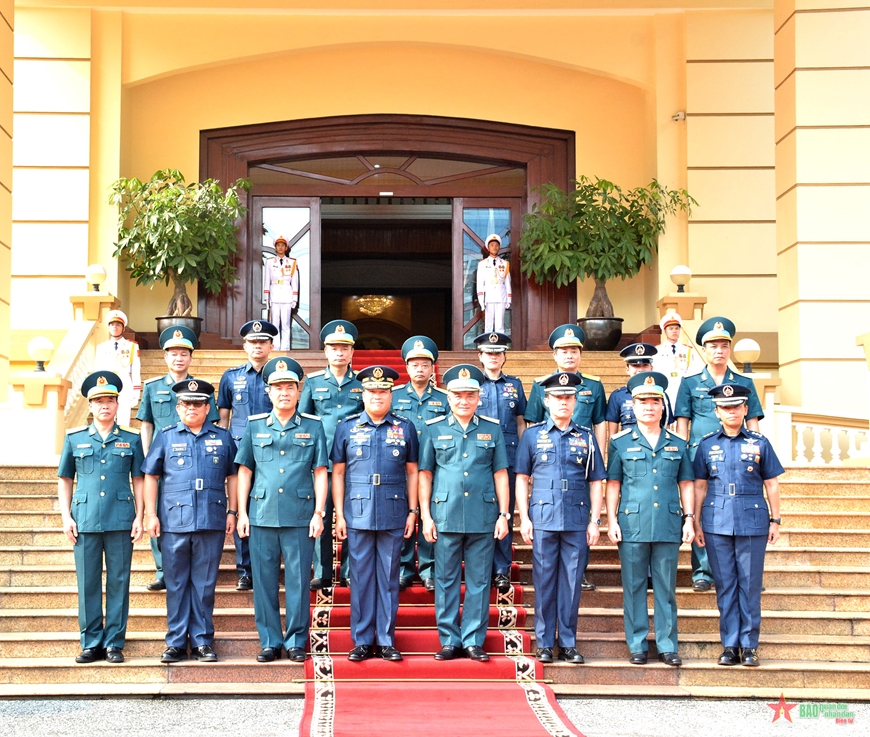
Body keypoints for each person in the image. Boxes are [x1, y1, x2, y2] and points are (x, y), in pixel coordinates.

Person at [235, 357, 329, 663]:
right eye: (277, 387)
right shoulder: (254, 425)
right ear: (268, 391)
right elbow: (245, 471)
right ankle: (270, 641)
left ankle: (296, 641)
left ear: (299, 391)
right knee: (263, 582)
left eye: (290, 386)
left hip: (300, 515)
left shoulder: (314, 427)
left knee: (299, 582)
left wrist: (319, 513)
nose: (284, 392)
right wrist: (242, 513)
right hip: (261, 514)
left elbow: (320, 471)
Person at [142, 379, 239, 663]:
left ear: (208, 407)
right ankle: (175, 642)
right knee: (175, 583)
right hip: (173, 521)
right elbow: (151, 475)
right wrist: (150, 514)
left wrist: (232, 511)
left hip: (211, 520)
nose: (192, 409)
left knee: (205, 584)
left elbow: (232, 476)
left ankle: (201, 642)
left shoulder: (223, 437)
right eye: (186, 404)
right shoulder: (167, 435)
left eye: (198, 404)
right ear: (178, 407)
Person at [419, 364, 511, 662]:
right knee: (445, 580)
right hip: (445, 513)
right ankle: (449, 639)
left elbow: (500, 473)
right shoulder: (434, 428)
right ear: (449, 397)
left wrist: (504, 514)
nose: (463, 400)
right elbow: (425, 475)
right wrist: (426, 516)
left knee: (479, 581)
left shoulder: (492, 428)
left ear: (478, 397)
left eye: (470, 395)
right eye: (458, 395)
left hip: (483, 515)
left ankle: (473, 639)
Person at [515, 372, 605, 665]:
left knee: (571, 582)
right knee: (544, 582)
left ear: (575, 401)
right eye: (557, 397)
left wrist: (595, 520)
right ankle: (543, 643)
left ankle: (567, 642)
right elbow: (522, 478)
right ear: (546, 400)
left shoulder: (586, 436)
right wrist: (524, 517)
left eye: (568, 397)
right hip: (542, 518)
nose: (563, 402)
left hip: (577, 520)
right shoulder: (532, 435)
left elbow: (595, 481)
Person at [606, 372, 695, 667]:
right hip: (632, 523)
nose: (649, 406)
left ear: (662, 407)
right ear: (633, 405)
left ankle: (668, 645)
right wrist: (612, 520)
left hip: (669, 522)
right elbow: (614, 485)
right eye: (643, 401)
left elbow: (686, 485)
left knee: (666, 589)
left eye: (655, 401)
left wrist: (690, 519)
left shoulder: (679, 444)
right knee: (633, 587)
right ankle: (637, 644)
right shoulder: (619, 442)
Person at [693, 383, 784, 668]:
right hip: (716, 521)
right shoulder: (707, 444)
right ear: (717, 411)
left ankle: (749, 645)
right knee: (726, 585)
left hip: (753, 521)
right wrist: (695, 521)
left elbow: (772, 484)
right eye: (725, 407)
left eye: (736, 407)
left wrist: (776, 520)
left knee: (749, 584)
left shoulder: (760, 442)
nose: (731, 411)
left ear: (745, 409)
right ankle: (730, 645)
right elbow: (699, 486)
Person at [332, 366, 419, 662]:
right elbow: (339, 472)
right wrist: (340, 515)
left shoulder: (405, 427)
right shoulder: (347, 426)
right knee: (361, 577)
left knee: (389, 577)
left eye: (383, 392)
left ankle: (385, 639)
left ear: (391, 395)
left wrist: (412, 511)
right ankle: (361, 639)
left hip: (393, 511)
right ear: (363, 394)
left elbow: (412, 471)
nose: (377, 396)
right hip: (357, 513)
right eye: (372, 392)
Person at [57, 371, 144, 664]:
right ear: (90, 405)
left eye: (109, 400)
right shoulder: (75, 438)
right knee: (88, 582)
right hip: (85, 519)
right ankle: (91, 641)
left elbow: (140, 479)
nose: (104, 406)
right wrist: (66, 516)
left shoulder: (131, 439)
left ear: (118, 405)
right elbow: (65, 478)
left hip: (121, 518)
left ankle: (114, 643)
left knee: (119, 581)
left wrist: (140, 516)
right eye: (98, 401)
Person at [674, 316, 764, 593]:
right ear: (703, 348)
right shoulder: (690, 382)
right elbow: (682, 424)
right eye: (713, 345)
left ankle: (743, 571)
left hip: (738, 456)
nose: (719, 350)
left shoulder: (744, 382)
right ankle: (703, 570)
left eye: (724, 345)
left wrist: (757, 454)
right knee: (699, 510)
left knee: (740, 511)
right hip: (701, 456)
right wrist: (681, 456)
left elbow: (754, 423)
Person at [137, 325, 220, 591]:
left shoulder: (203, 389)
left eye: (184, 353)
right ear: (164, 356)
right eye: (173, 353)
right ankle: (163, 568)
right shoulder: (152, 388)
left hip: (195, 461)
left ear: (191, 357)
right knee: (159, 511)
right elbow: (146, 424)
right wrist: (148, 458)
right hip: (163, 461)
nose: (178, 358)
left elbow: (216, 425)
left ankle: (191, 565)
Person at [525, 324, 606, 592]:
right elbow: (532, 422)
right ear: (554, 355)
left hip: (581, 457)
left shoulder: (593, 385)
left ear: (581, 354)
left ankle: (577, 571)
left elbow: (600, 423)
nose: (569, 355)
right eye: (563, 350)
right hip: (549, 456)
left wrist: (600, 453)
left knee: (580, 516)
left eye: (574, 350)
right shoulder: (541, 386)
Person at [298, 320, 365, 590]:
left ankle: (349, 570)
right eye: (333, 348)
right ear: (325, 351)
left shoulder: (362, 382)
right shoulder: (314, 382)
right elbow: (303, 419)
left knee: (351, 515)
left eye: (344, 348)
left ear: (351, 352)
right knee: (322, 515)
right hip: (321, 462)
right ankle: (324, 570)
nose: (339, 352)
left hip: (353, 460)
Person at [217, 319, 278, 591]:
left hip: (273, 451)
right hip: (239, 449)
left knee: (269, 507)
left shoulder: (280, 376)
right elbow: (223, 419)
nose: (257, 346)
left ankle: (269, 566)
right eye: (253, 342)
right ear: (245, 346)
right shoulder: (231, 377)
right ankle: (245, 570)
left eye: (262, 342)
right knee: (241, 506)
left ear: (271, 346)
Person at [390, 335, 447, 592]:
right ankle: (403, 568)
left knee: (429, 516)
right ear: (407, 367)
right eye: (415, 364)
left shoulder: (445, 399)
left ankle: (428, 569)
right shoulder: (394, 395)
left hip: (434, 467)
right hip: (402, 467)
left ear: (432, 366)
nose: (420, 369)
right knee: (404, 515)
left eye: (425, 364)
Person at [474, 331, 527, 592]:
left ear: (504, 356)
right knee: (482, 513)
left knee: (505, 513)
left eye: (498, 353)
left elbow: (520, 422)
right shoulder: (472, 383)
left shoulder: (514, 385)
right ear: (480, 356)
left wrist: (525, 458)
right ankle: (480, 565)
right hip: (479, 457)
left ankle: (501, 569)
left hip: (509, 455)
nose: (493, 357)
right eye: (488, 353)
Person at [606, 343, 673, 439]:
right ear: (627, 369)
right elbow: (612, 436)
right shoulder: (618, 396)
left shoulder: (662, 395)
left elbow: (667, 429)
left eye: (645, 365)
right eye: (635, 366)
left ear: (651, 368)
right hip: (627, 450)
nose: (641, 370)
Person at [93, 309, 141, 426]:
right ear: (109, 328)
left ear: (123, 328)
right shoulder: (102, 347)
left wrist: (136, 394)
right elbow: (97, 370)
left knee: (123, 420)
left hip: (125, 386)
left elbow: (135, 370)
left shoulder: (132, 346)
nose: (115, 327)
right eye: (112, 325)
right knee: (106, 418)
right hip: (106, 385)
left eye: (118, 325)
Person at [651, 312, 703, 411]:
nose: (674, 331)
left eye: (676, 328)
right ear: (665, 331)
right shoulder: (657, 351)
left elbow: (694, 371)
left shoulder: (688, 350)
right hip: (665, 391)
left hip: (683, 391)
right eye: (670, 329)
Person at [263, 235, 299, 351]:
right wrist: (266, 297)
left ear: (286, 247)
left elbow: (294, 281)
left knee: (286, 323)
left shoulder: (292, 262)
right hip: (274, 294)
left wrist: (295, 298)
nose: (280, 247)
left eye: (282, 245)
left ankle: (285, 347)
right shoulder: (269, 262)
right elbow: (267, 279)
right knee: (275, 323)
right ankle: (276, 346)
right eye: (278, 245)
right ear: (275, 247)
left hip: (287, 295)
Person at [476, 233, 512, 333]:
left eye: (496, 245)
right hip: (489, 297)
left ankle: (500, 344)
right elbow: (480, 284)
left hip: (501, 296)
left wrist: (509, 298)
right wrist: (481, 300)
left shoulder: (504, 264)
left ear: (499, 247)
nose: (494, 247)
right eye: (492, 245)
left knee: (500, 324)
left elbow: (507, 282)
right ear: (488, 248)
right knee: (488, 324)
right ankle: (488, 343)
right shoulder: (482, 264)